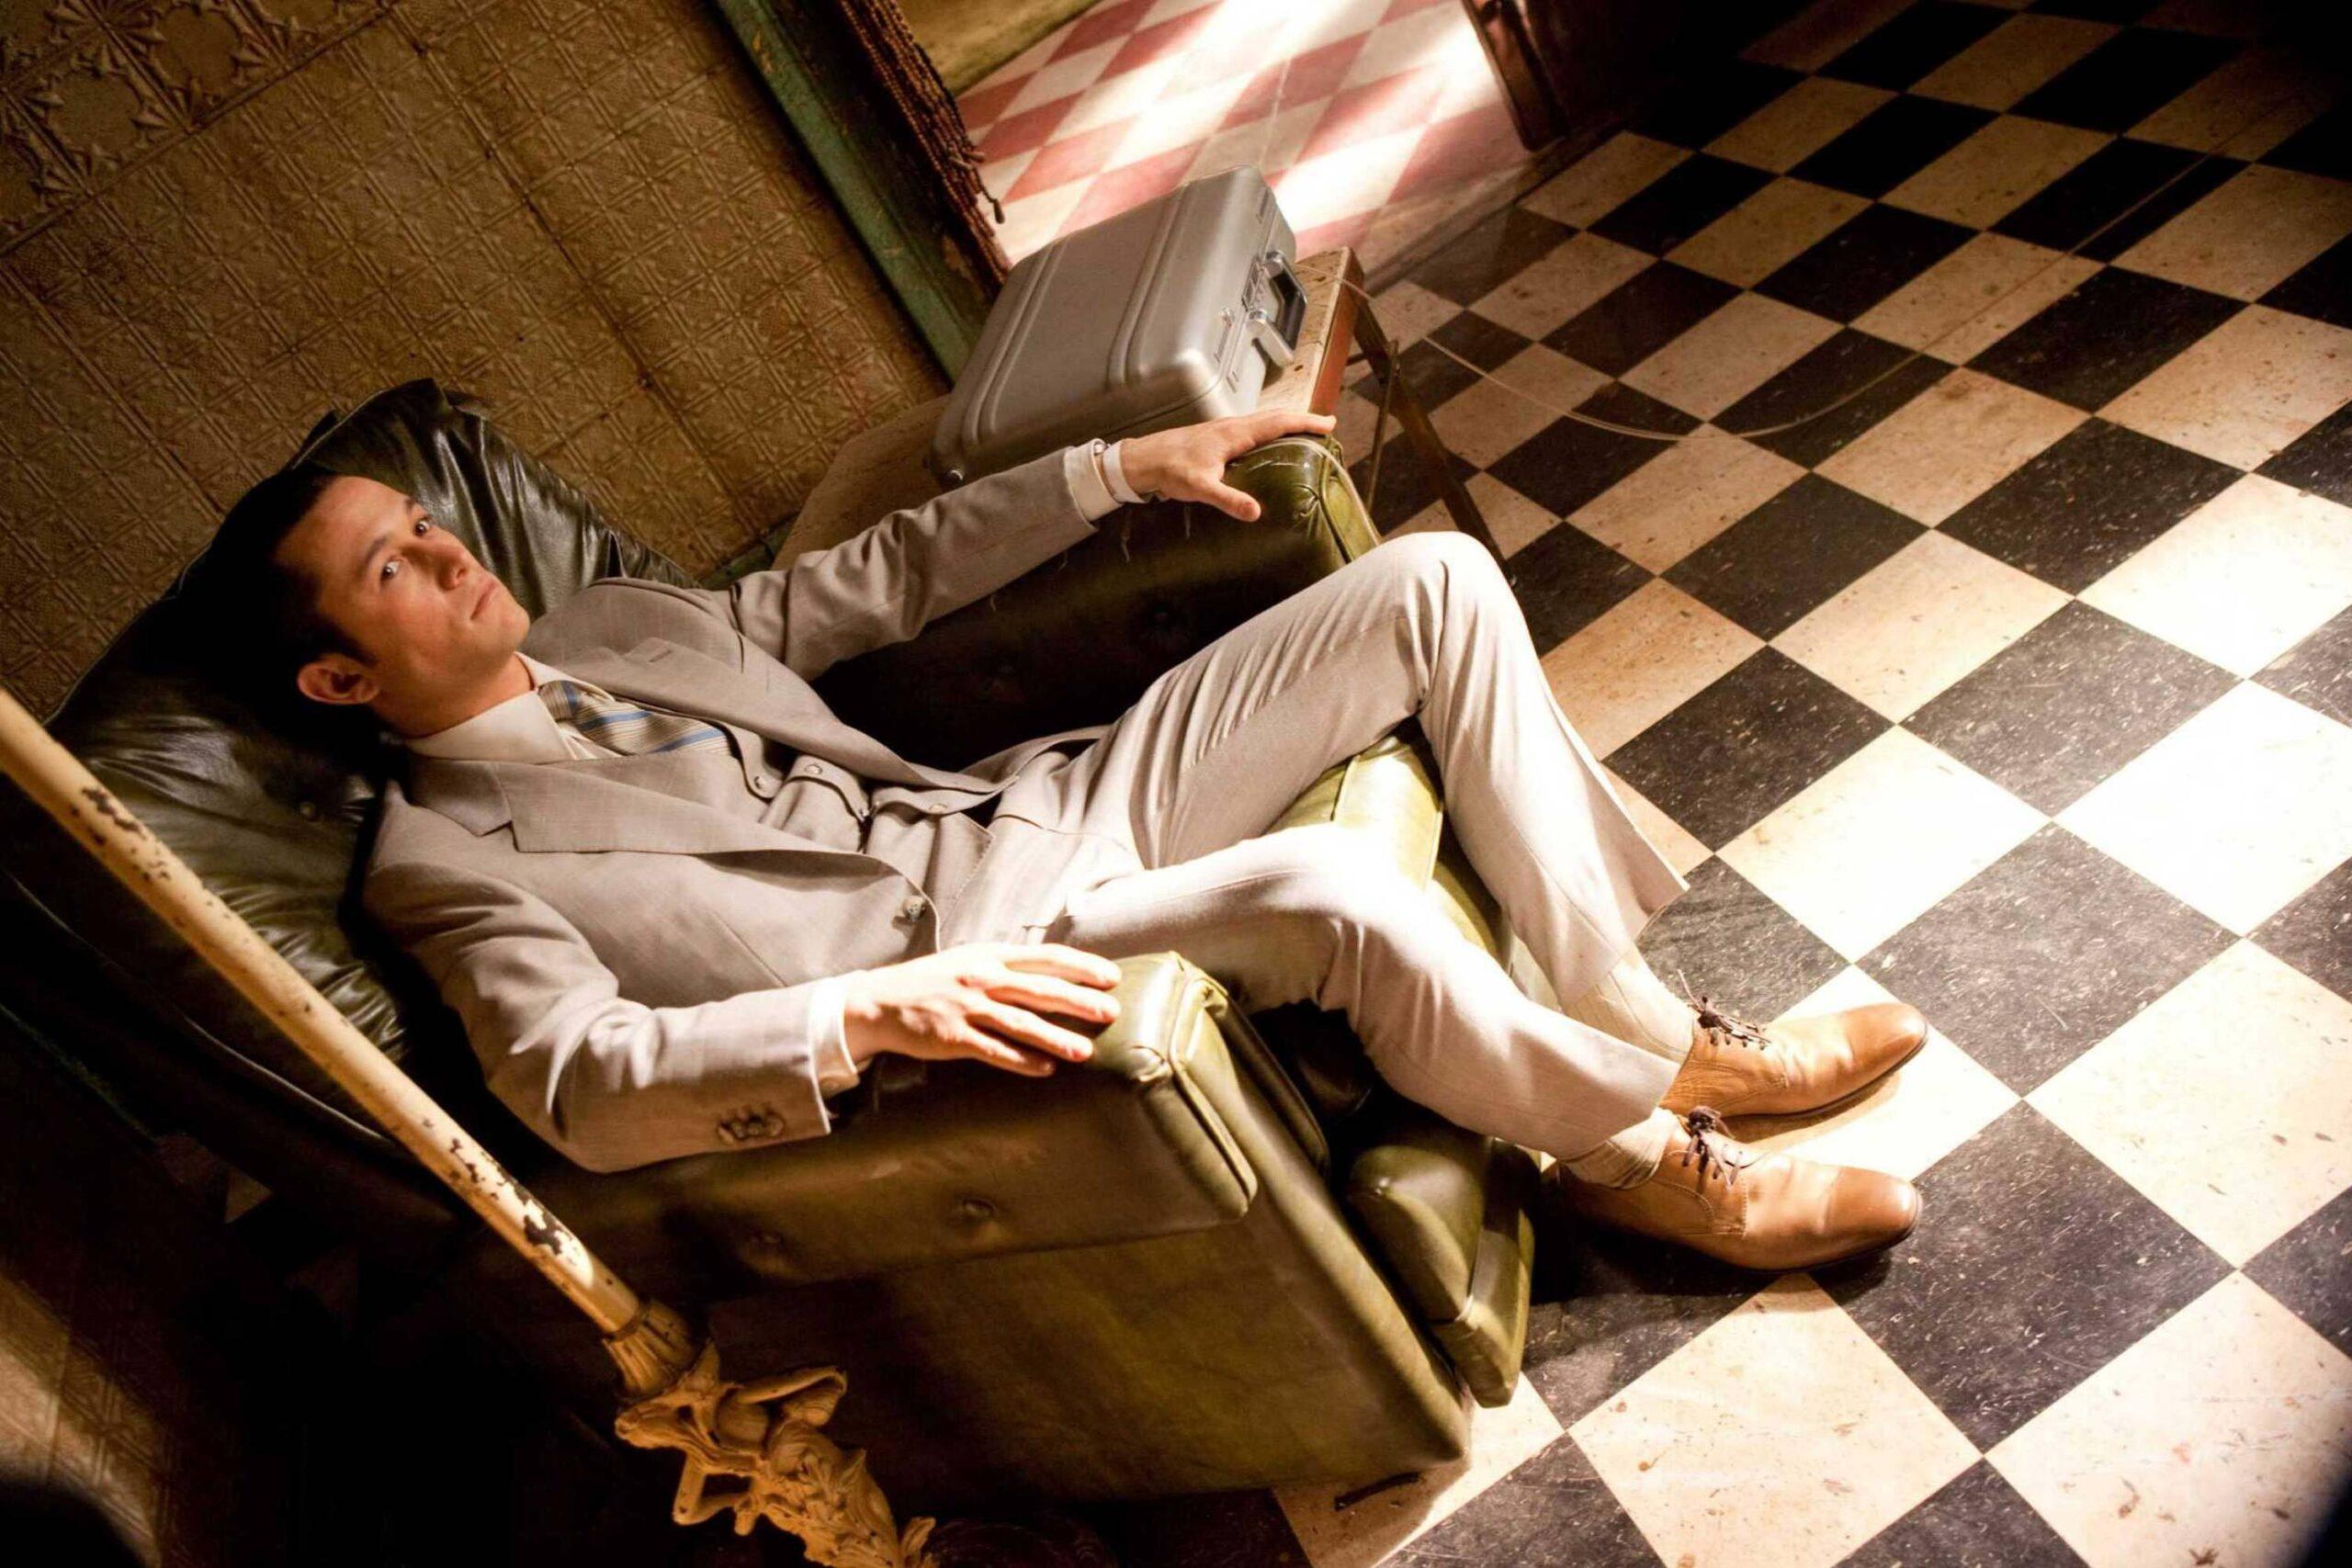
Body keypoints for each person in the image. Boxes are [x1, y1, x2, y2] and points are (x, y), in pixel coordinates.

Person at [204, 406, 1924, 1270]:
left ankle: (1645, 1027)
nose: (451, 554)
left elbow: (867, 582)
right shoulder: (442, 861)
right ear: (341, 677)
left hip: (1040, 803)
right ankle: (1645, 1163)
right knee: (1334, 887)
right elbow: (575, 1082)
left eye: (427, 522)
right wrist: (858, 1017)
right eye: (393, 568)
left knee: (1431, 584)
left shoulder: (613, 629)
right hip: (973, 960)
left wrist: (1119, 465)